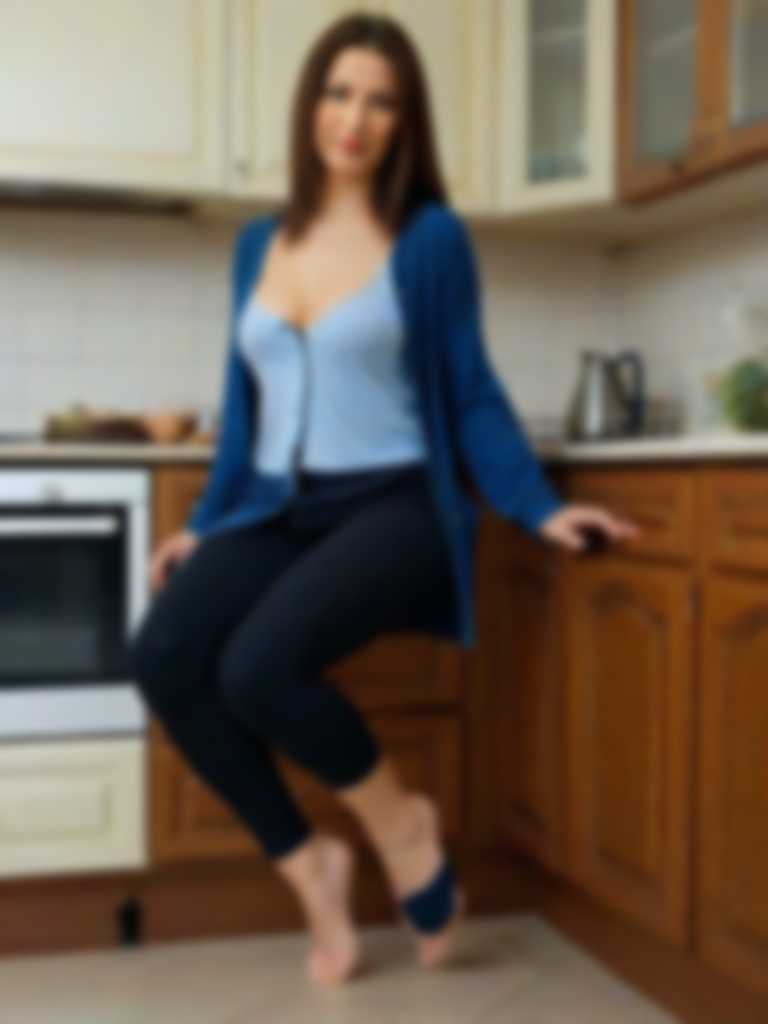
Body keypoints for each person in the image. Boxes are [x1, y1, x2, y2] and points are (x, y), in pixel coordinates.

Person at [129, 11, 640, 988]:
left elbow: (472, 388)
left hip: (393, 505)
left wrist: (536, 505)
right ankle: (308, 863)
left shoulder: (429, 239)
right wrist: (204, 522)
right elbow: (244, 403)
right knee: (164, 656)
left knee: (259, 667)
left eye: (381, 101)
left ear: (406, 123)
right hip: (277, 508)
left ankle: (401, 826)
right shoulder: (258, 244)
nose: (354, 119)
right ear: (310, 105)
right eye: (338, 93)